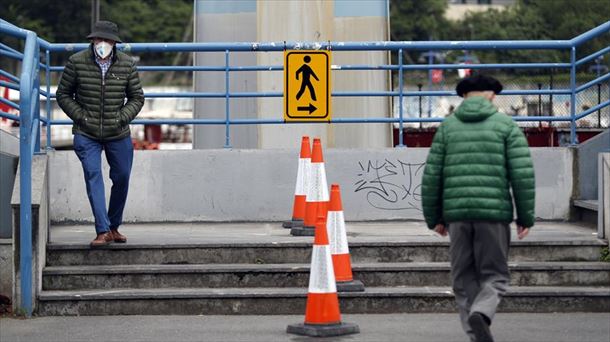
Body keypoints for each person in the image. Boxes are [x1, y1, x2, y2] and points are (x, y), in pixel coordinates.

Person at [422, 74, 535, 342]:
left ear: (462, 97)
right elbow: (522, 174)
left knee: (463, 279)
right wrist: (525, 217)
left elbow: (431, 176)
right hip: (493, 216)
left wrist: (434, 218)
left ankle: (475, 332)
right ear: (492, 95)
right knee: (495, 275)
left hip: (457, 216)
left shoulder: (447, 128)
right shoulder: (506, 126)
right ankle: (483, 312)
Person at [56, 21, 144, 247]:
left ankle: (113, 226)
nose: (102, 44)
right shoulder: (76, 62)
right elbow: (63, 94)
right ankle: (102, 230)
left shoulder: (126, 64)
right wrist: (81, 117)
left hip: (118, 131)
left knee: (122, 177)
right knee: (93, 175)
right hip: (87, 132)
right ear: (92, 40)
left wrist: (121, 118)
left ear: (115, 43)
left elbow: (137, 97)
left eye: (107, 40)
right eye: (98, 39)